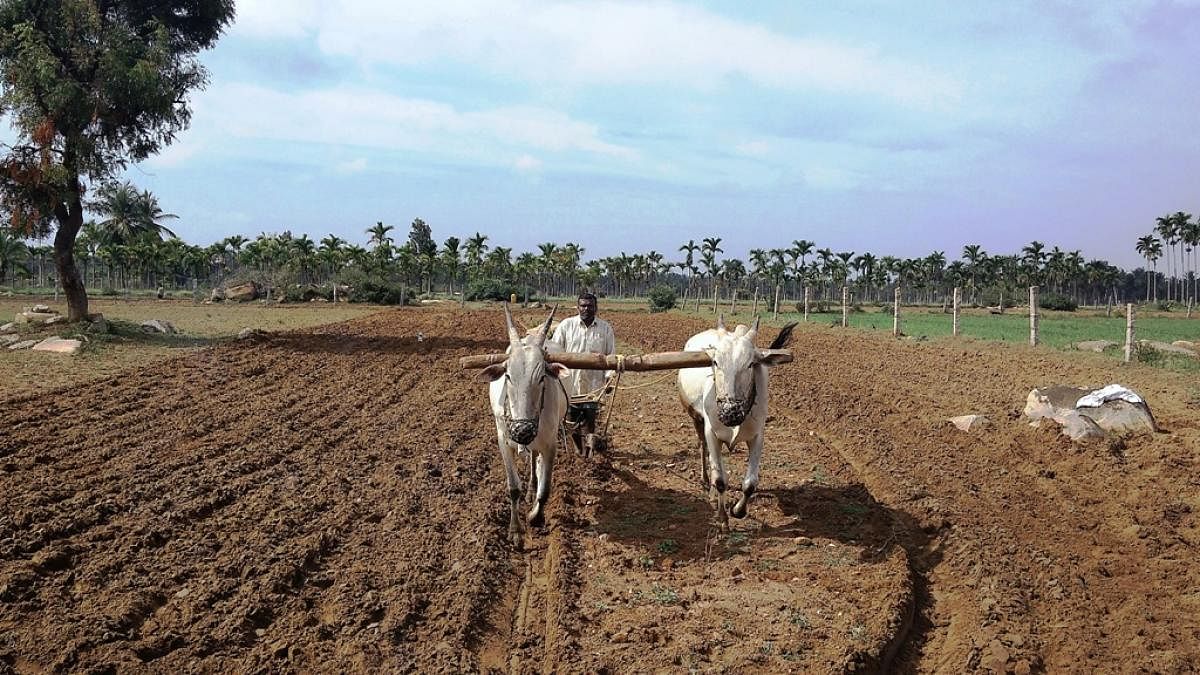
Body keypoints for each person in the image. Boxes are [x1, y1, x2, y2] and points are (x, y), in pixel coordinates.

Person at [550, 292, 616, 453]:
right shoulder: (566, 326)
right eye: (583, 305)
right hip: (569, 381)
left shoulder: (605, 328)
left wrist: (609, 378)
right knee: (572, 419)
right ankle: (579, 450)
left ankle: (588, 452)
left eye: (590, 306)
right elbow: (555, 351)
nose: (586, 308)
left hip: (593, 384)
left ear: (596, 308)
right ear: (578, 307)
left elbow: (611, 354)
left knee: (590, 417)